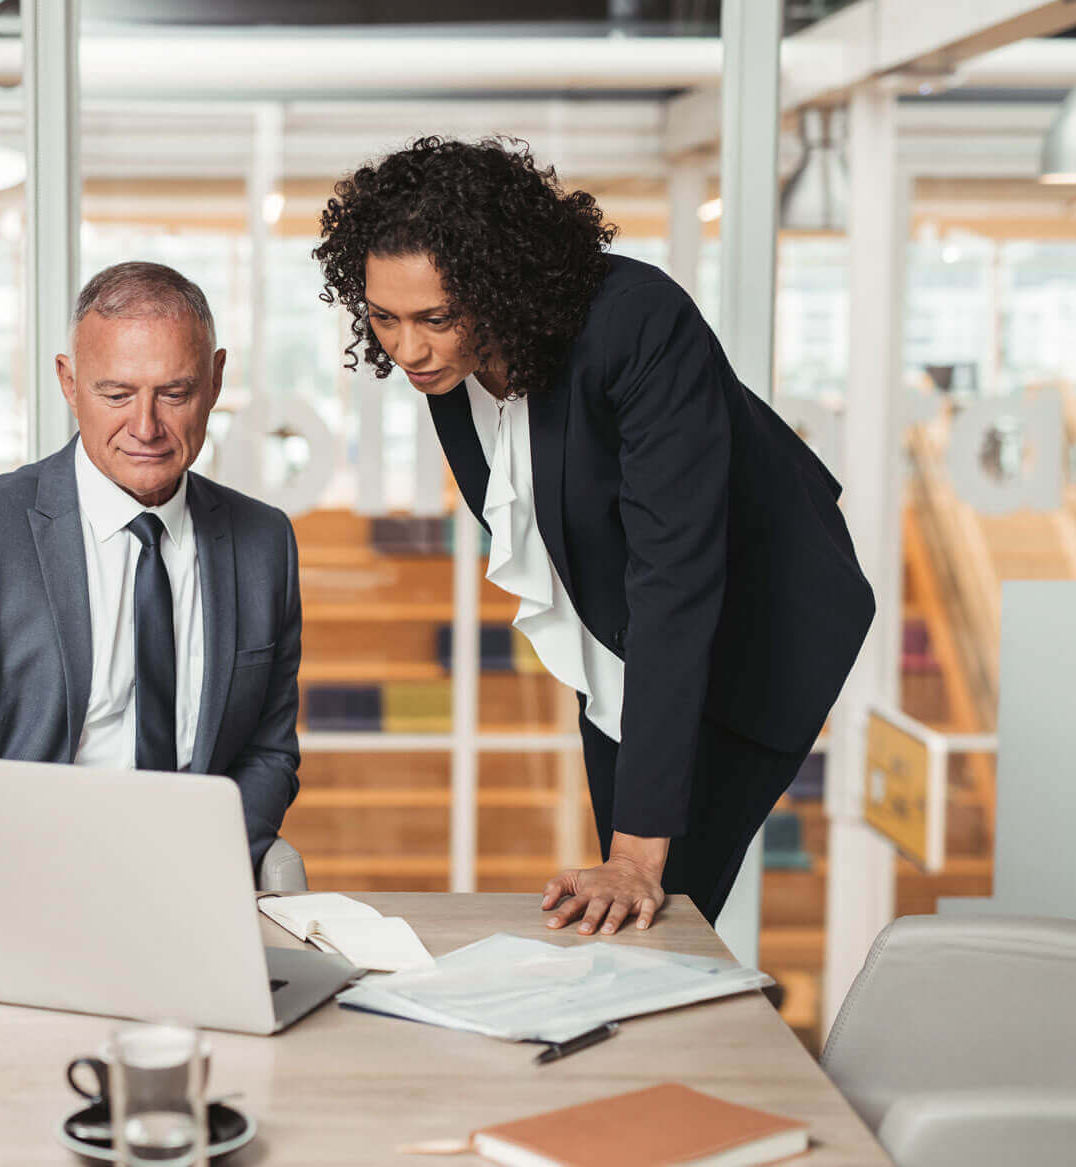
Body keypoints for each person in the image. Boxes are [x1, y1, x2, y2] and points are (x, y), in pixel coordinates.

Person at [314, 136, 874, 934]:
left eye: (434, 318)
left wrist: (639, 855)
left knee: (661, 899)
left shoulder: (639, 324)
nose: (406, 349)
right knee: (617, 897)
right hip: (619, 632)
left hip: (752, 629)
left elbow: (675, 578)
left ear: (500, 286)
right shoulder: (445, 362)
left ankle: (687, 1057)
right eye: (383, 317)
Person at [0, 261, 302, 887]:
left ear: (216, 379)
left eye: (174, 394)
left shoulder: (264, 543)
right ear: (69, 382)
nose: (145, 428)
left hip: (172, 890)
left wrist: (183, 868)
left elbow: (267, 753)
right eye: (116, 394)